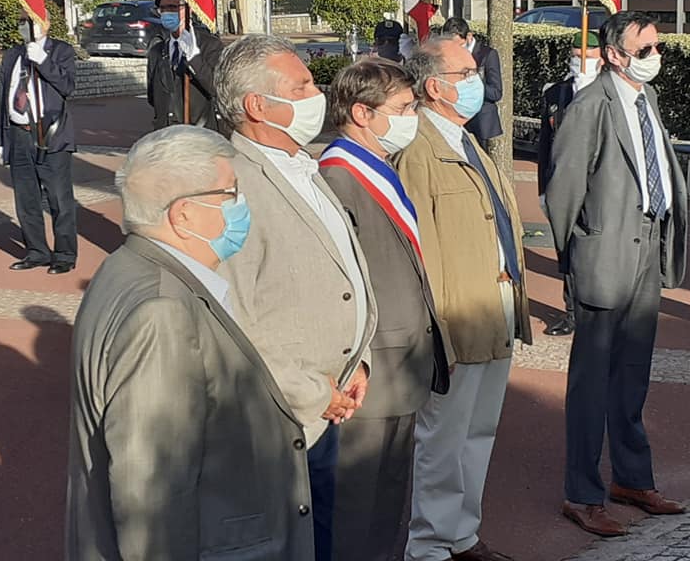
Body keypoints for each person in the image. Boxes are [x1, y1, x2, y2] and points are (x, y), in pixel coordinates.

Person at [66, 125, 315, 561]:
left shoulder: (127, 267)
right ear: (183, 215)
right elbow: (150, 487)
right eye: (230, 193)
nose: (242, 204)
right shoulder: (163, 311)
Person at [212, 34, 377, 561]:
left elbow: (339, 271)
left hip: (331, 399)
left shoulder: (302, 163)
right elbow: (229, 318)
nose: (317, 94)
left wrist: (359, 360)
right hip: (280, 412)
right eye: (301, 86)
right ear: (257, 105)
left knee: (318, 535)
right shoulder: (230, 184)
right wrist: (309, 390)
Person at [545, 11, 688, 538]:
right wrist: (576, 256)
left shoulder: (646, 98)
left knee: (632, 375)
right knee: (591, 383)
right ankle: (582, 494)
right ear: (613, 55)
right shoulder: (589, 106)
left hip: (648, 245)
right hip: (603, 254)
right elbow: (562, 191)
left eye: (657, 47)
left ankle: (632, 478)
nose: (655, 57)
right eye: (644, 50)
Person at [395, 37, 532, 561]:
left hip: (495, 303)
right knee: (443, 437)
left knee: (479, 431)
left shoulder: (467, 139)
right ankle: (429, 544)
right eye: (467, 73)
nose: (479, 81)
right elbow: (421, 248)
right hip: (456, 314)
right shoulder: (418, 149)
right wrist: (437, 330)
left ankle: (461, 534)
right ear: (435, 86)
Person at [319, 58, 452, 561]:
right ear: (362, 113)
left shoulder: (380, 165)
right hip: (372, 365)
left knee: (389, 499)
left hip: (403, 358)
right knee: (357, 505)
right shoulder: (339, 175)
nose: (412, 117)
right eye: (403, 108)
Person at [0, 12, 78, 274]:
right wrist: (3, 138)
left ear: (47, 23)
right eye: (23, 21)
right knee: (26, 198)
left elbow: (67, 86)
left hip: (50, 134)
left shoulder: (61, 51)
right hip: (19, 134)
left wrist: (42, 60)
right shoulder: (13, 55)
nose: (27, 26)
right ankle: (36, 251)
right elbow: (5, 97)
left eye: (32, 20)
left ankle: (64, 254)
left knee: (59, 199)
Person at [536, 31, 603, 337]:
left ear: (602, 59)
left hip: (598, 188)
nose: (581, 62)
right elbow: (545, 146)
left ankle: (597, 311)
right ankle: (572, 312)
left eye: (587, 57)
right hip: (563, 186)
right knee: (566, 252)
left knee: (597, 251)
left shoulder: (608, 94)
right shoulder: (556, 94)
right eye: (576, 56)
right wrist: (543, 190)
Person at [147, 0, 223, 130]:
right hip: (165, 134)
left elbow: (217, 88)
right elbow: (153, 96)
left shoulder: (209, 45)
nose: (167, 13)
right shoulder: (157, 51)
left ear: (189, 9)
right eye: (162, 9)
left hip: (199, 133)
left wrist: (194, 57)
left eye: (173, 7)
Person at [441, 17, 502, 148]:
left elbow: (496, 93)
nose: (455, 50)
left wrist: (475, 82)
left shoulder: (488, 54)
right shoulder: (446, 55)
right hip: (456, 119)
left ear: (469, 36)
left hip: (480, 123)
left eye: (459, 45)